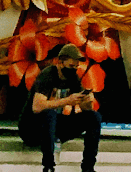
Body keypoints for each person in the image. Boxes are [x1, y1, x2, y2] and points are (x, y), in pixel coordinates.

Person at [21, 43, 101, 172]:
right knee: (50, 115)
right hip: (32, 128)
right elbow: (37, 107)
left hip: (54, 126)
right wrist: (67, 101)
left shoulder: (73, 78)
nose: (74, 69)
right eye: (71, 66)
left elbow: (86, 109)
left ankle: (88, 166)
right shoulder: (47, 75)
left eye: (76, 67)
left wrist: (86, 101)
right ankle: (48, 165)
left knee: (94, 117)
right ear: (60, 62)